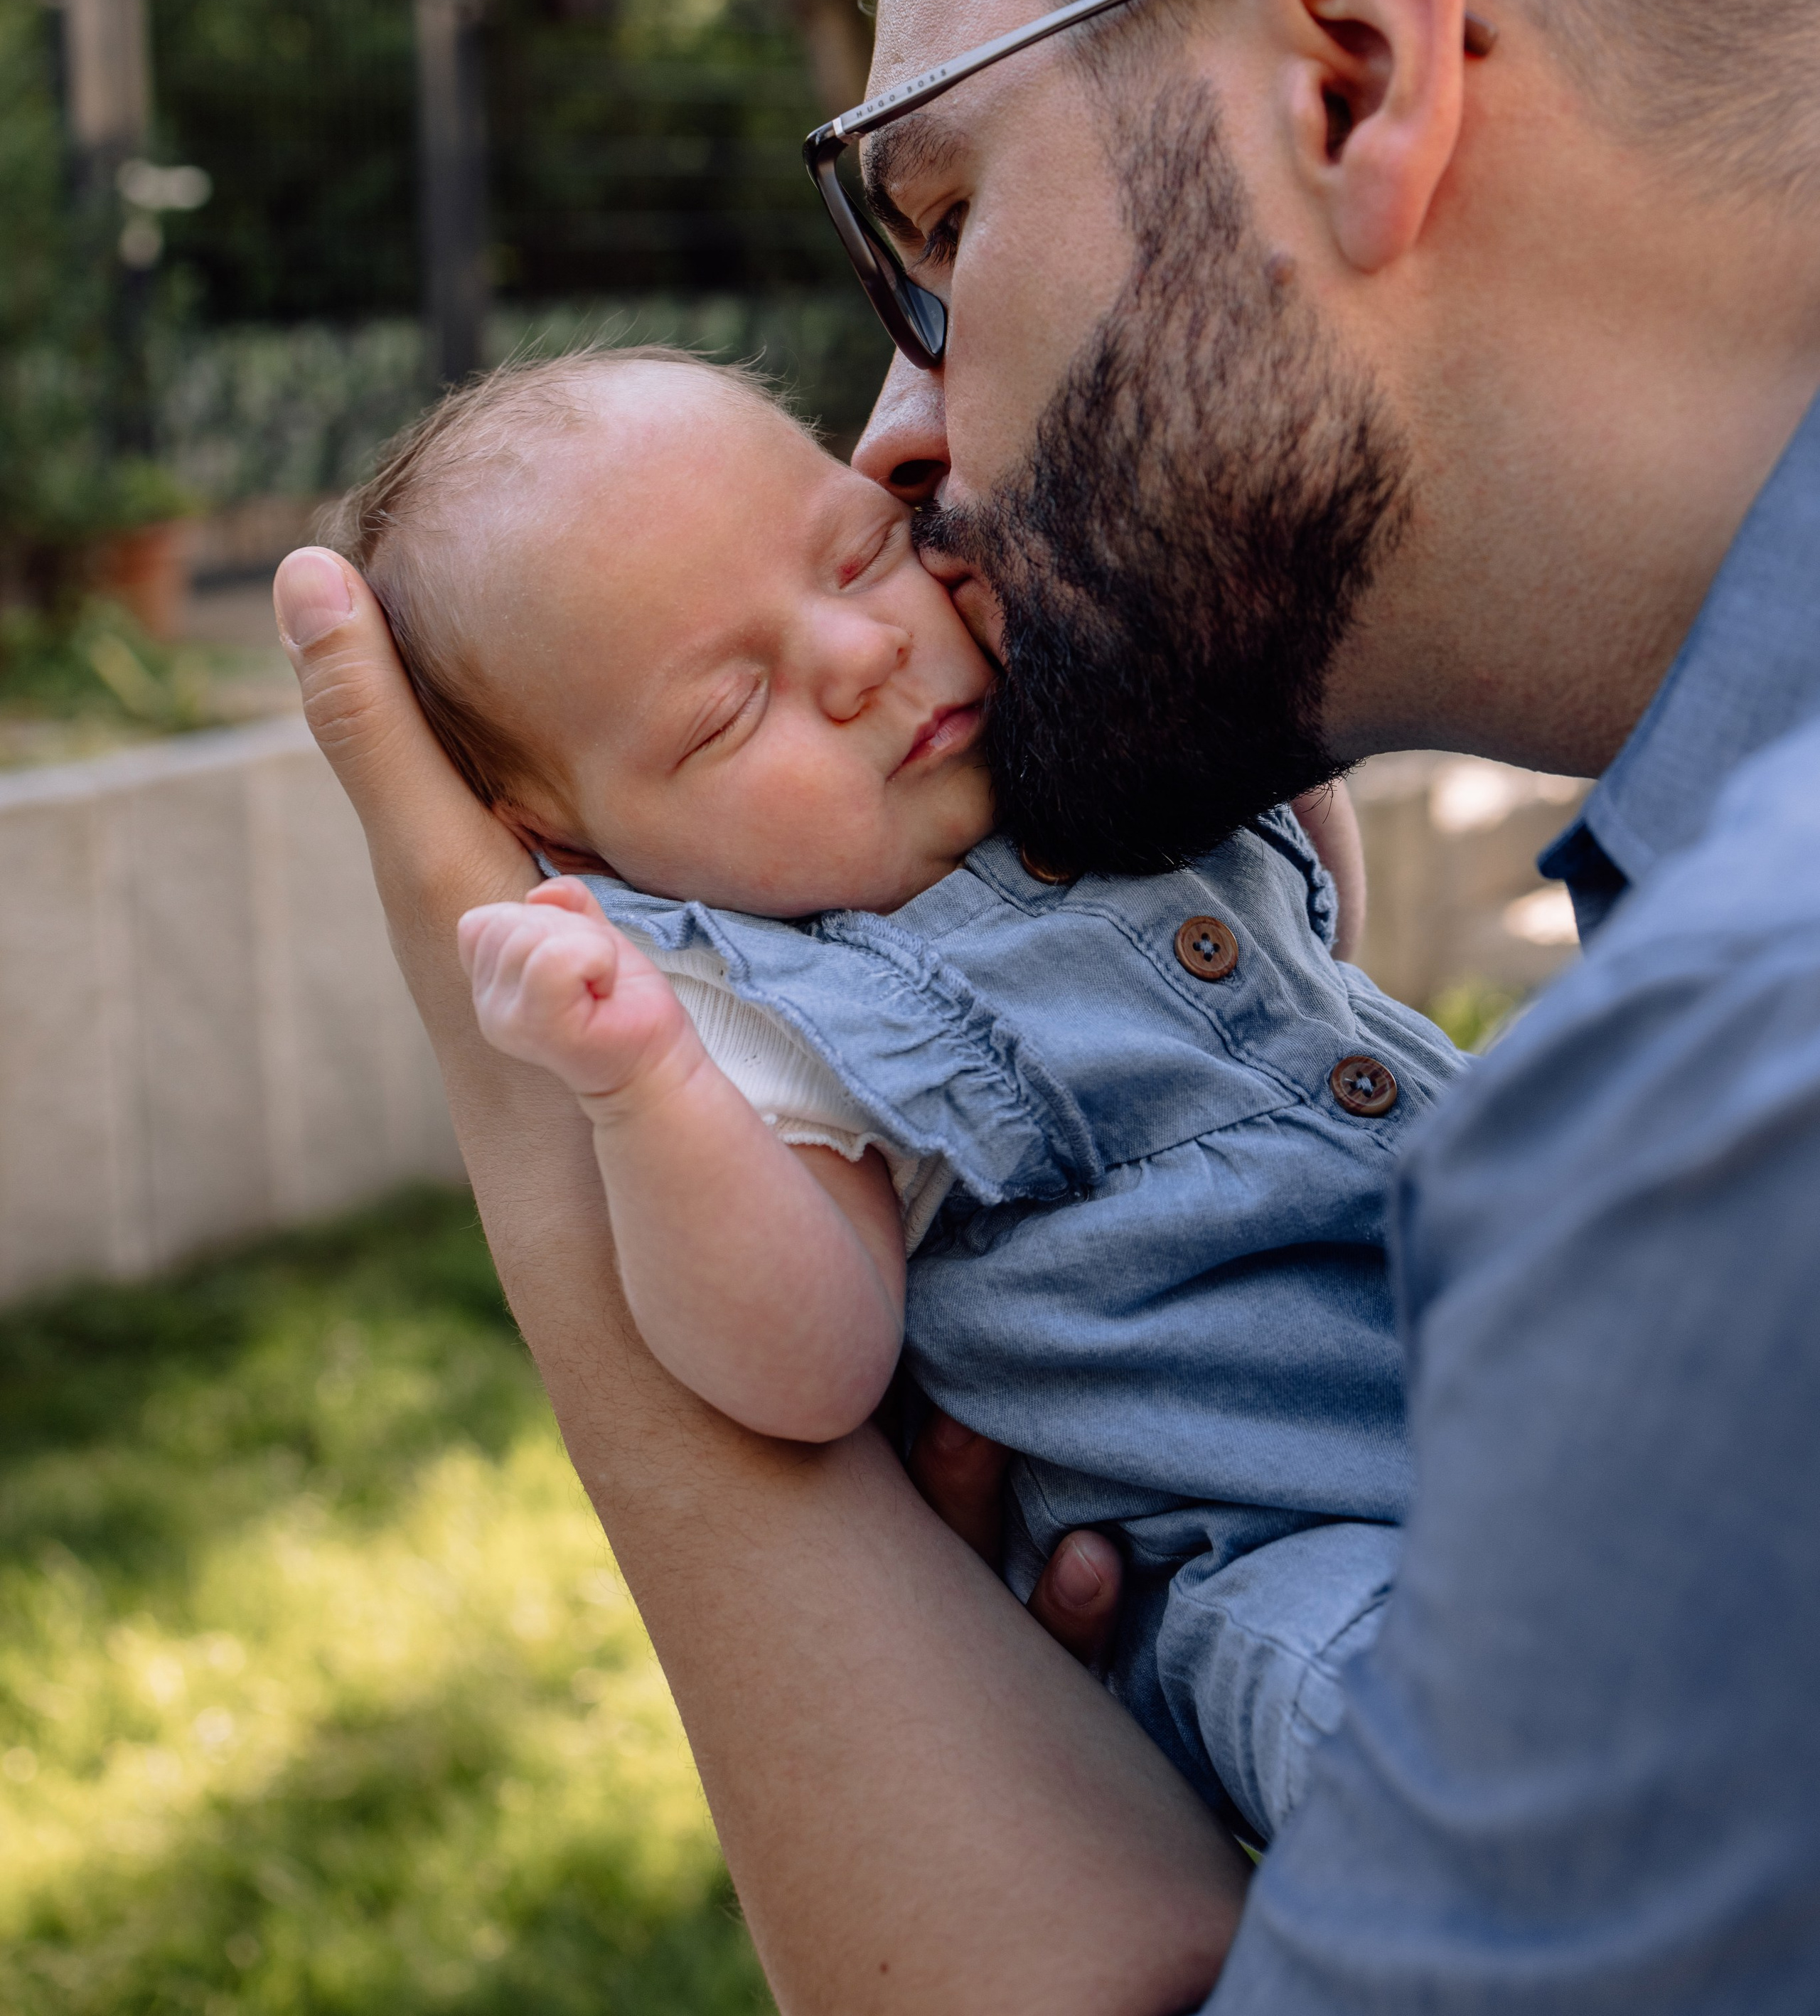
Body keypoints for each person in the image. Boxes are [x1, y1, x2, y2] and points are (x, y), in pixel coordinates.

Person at [274, 0, 1820, 2010]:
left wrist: (591, 1251)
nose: (890, 439)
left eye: (945, 218)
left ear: (1349, 69)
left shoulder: (1731, 1125)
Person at [321, 341, 1458, 1840]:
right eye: (729, 710)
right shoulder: (791, 999)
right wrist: (644, 1085)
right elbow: (807, 1361)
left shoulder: (1068, 741)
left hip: (1533, 1328)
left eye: (857, 557)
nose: (858, 656)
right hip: (1272, 1548)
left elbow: (1307, 926)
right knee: (1422, 1739)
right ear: (582, 849)